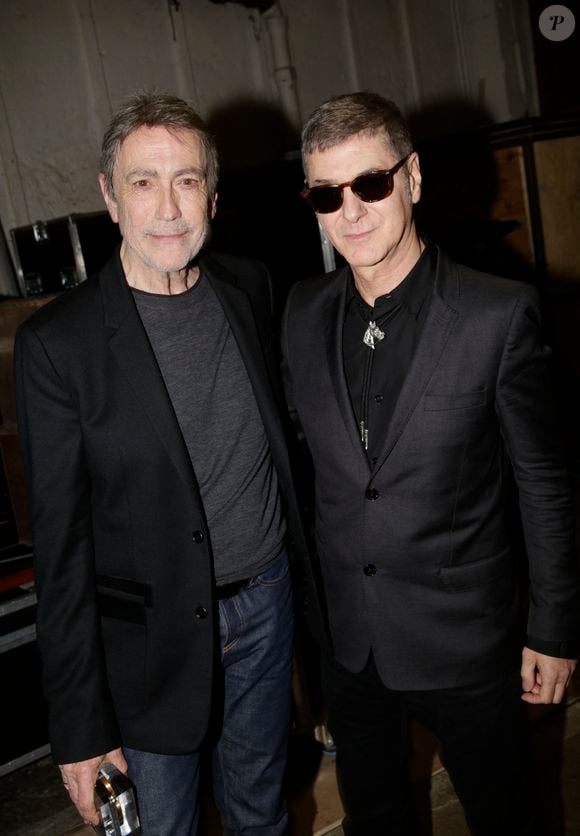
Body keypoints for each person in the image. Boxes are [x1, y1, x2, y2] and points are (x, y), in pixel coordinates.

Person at [15, 91, 320, 836]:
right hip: (146, 649)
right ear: (109, 198)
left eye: (186, 180)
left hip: (267, 605)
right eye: (143, 182)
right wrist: (81, 730)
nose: (168, 207)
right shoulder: (59, 346)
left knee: (261, 812)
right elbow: (60, 552)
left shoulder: (249, 288)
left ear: (213, 196)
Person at [281, 91, 580, 835]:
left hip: (467, 643)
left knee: (509, 817)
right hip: (353, 650)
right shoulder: (300, 313)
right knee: (376, 820)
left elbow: (544, 484)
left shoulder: (495, 315)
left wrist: (552, 627)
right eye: (326, 193)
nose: (350, 211)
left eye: (371, 184)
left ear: (411, 179)